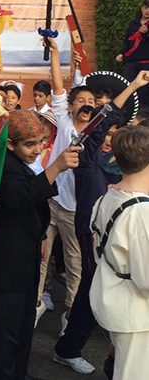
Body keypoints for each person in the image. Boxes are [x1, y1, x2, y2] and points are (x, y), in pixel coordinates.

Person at [52, 71, 147, 374]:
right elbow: (101, 126)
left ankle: (73, 345)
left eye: (113, 134)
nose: (107, 138)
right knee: (95, 288)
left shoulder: (123, 169)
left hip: (110, 238)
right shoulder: (86, 158)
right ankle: (71, 347)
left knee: (95, 289)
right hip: (92, 235)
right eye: (104, 133)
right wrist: (132, 87)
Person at [0, 109, 80, 380]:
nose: (38, 149)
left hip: (26, 257)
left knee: (24, 327)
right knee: (7, 332)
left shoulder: (19, 163)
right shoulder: (1, 165)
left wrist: (42, 236)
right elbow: (19, 198)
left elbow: (31, 204)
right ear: (10, 144)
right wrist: (56, 166)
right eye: (30, 144)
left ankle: (18, 373)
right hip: (6, 265)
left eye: (40, 142)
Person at [38, 38, 93, 339]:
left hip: (75, 210)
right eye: (80, 101)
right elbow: (59, 86)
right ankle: (36, 303)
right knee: (40, 255)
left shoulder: (97, 133)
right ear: (70, 106)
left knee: (75, 265)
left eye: (91, 104)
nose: (85, 106)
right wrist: (57, 54)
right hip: (50, 202)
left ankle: (69, 318)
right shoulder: (62, 118)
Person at [89, 125, 149, 380]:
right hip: (136, 313)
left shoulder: (107, 197)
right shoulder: (141, 212)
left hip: (114, 297)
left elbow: (98, 252)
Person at [117, 0, 149, 104]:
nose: (147, 11)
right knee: (128, 88)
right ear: (142, 8)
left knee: (144, 92)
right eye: (146, 8)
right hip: (131, 63)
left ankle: (143, 116)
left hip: (146, 64)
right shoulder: (133, 24)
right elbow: (127, 40)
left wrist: (146, 34)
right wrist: (121, 53)